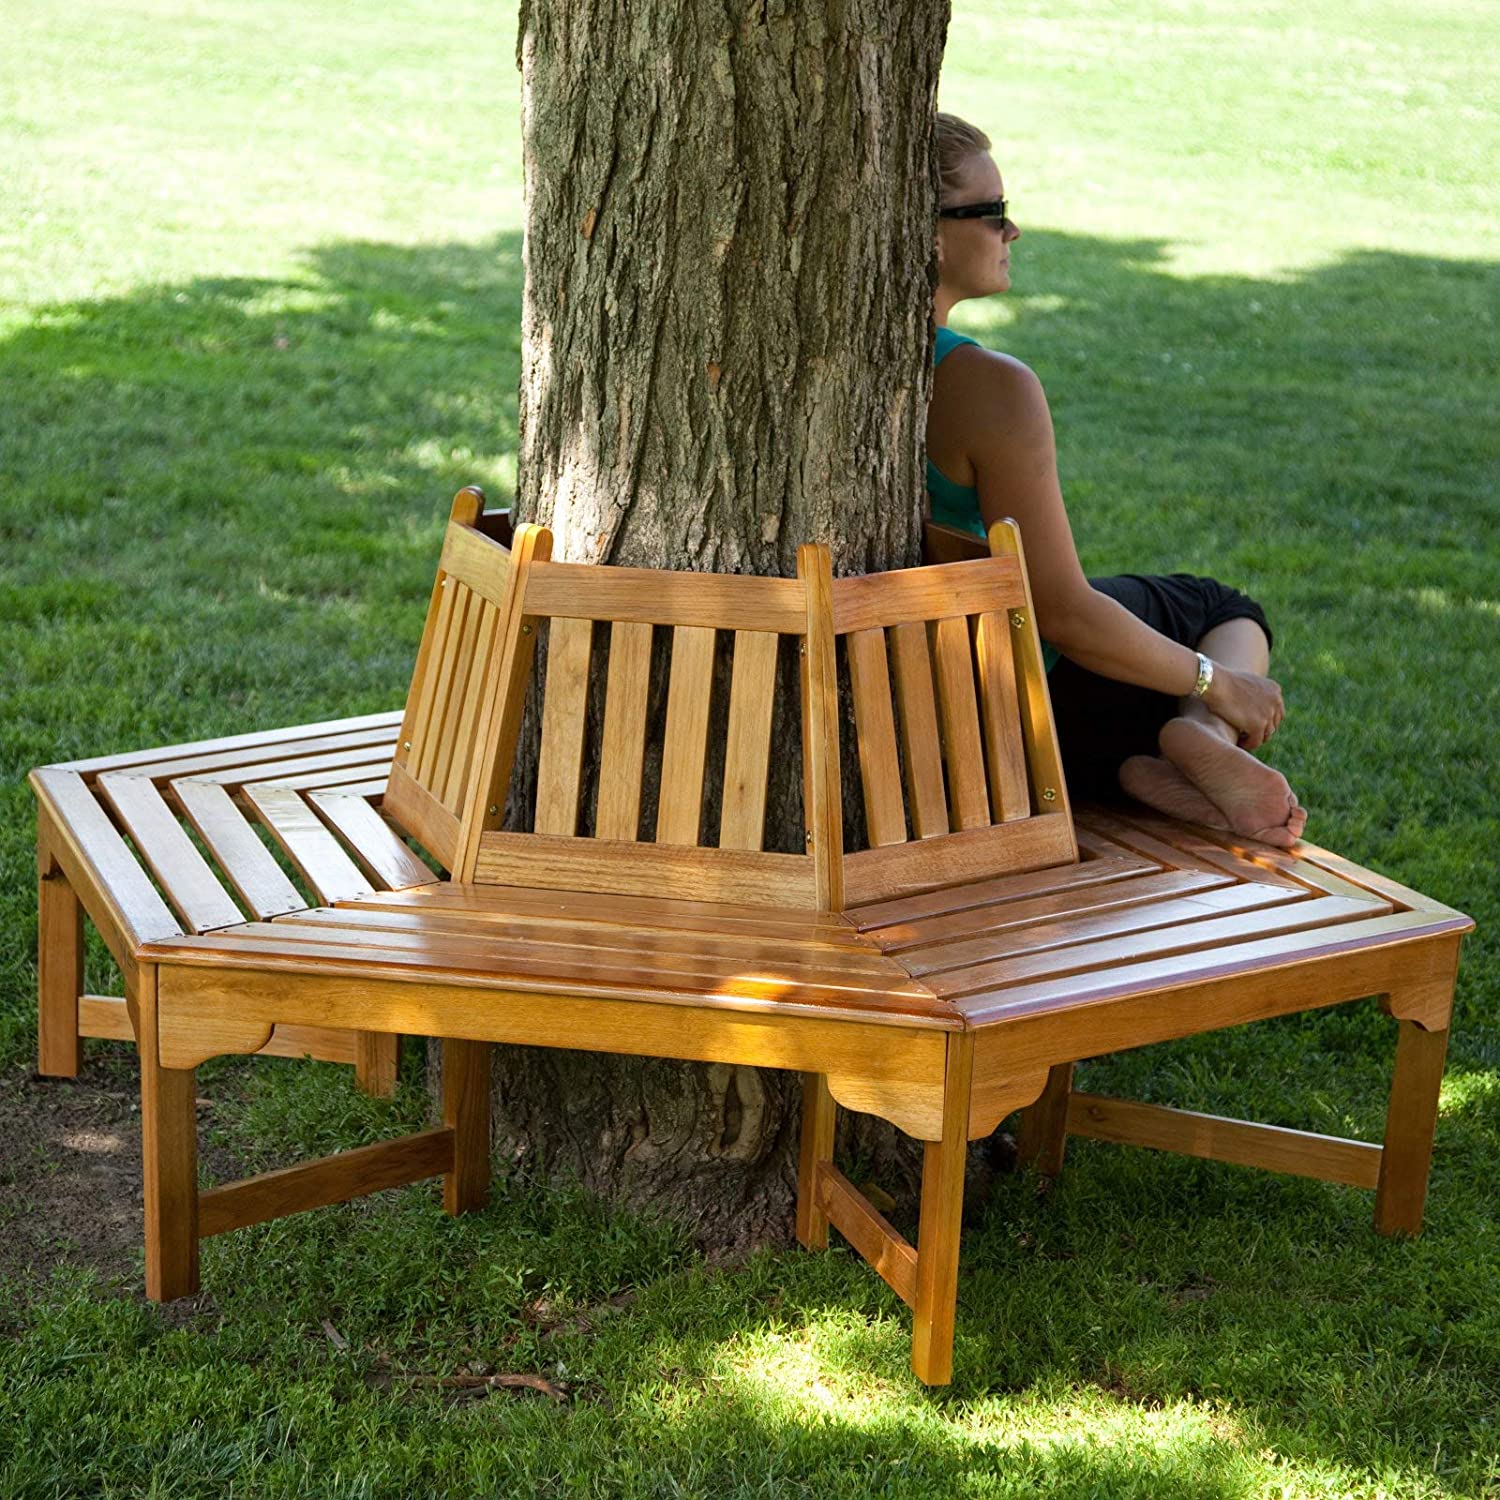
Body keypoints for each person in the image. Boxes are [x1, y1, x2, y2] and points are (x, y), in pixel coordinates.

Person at [928, 114, 1307, 847]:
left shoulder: (828, 377)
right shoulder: (986, 387)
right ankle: (1204, 734)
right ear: (929, 237)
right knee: (1217, 606)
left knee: (1140, 616)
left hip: (921, 715)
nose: (1014, 233)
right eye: (994, 213)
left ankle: (1160, 764)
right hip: (1016, 737)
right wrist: (1215, 684)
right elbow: (1063, 612)